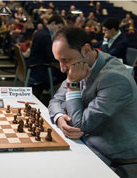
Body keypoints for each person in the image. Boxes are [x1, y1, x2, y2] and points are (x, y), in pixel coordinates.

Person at [48, 26, 137, 178]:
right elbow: (56, 100)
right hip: (87, 143)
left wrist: (72, 84)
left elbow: (80, 125)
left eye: (65, 60)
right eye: (59, 61)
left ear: (86, 50)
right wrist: (59, 118)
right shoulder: (79, 65)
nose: (63, 69)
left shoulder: (115, 79)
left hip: (115, 160)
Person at [26, 15, 66, 97]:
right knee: (64, 75)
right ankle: (42, 90)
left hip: (34, 66)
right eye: (58, 27)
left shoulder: (41, 32)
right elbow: (51, 56)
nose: (58, 30)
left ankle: (40, 89)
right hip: (38, 69)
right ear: (53, 23)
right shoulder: (45, 35)